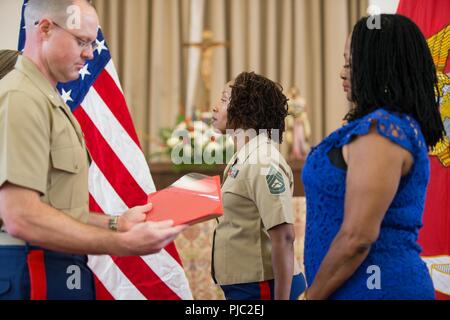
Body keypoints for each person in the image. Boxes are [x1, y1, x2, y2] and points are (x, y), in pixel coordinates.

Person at [0, 0, 185, 300]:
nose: (89, 53)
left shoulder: (48, 99)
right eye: (81, 41)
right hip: (31, 271)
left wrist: (117, 223)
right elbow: (21, 216)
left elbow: (60, 210)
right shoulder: (21, 98)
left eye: (91, 42)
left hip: (60, 269)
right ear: (45, 29)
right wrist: (122, 245)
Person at [302, 14, 445, 300]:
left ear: (381, 67)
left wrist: (311, 297)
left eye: (351, 63)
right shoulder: (376, 126)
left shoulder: (383, 131)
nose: (342, 73)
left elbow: (358, 237)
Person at [211, 71, 306, 300]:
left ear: (246, 110)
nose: (215, 107)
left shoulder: (263, 160)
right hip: (246, 287)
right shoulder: (245, 156)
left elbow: (284, 237)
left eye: (224, 100)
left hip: (264, 288)